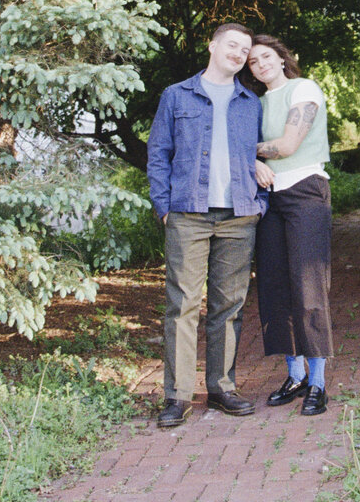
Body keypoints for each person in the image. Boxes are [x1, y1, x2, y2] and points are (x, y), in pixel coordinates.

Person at [146, 22, 268, 428]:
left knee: (229, 306)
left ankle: (221, 388)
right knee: (182, 305)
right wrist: (164, 207)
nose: (238, 54)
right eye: (232, 45)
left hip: (239, 216)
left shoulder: (251, 103)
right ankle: (177, 395)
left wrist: (259, 205)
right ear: (212, 46)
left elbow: (261, 157)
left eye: (245, 50)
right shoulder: (176, 95)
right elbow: (158, 153)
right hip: (188, 214)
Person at [245, 34, 333, 416]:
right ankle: (295, 376)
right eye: (253, 61)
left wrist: (245, 152)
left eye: (266, 56)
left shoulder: (303, 89)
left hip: (305, 192)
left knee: (309, 287)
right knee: (274, 287)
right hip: (268, 198)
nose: (260, 64)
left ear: (282, 58)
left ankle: (318, 383)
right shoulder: (254, 104)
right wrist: (251, 161)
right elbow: (255, 152)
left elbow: (288, 145)